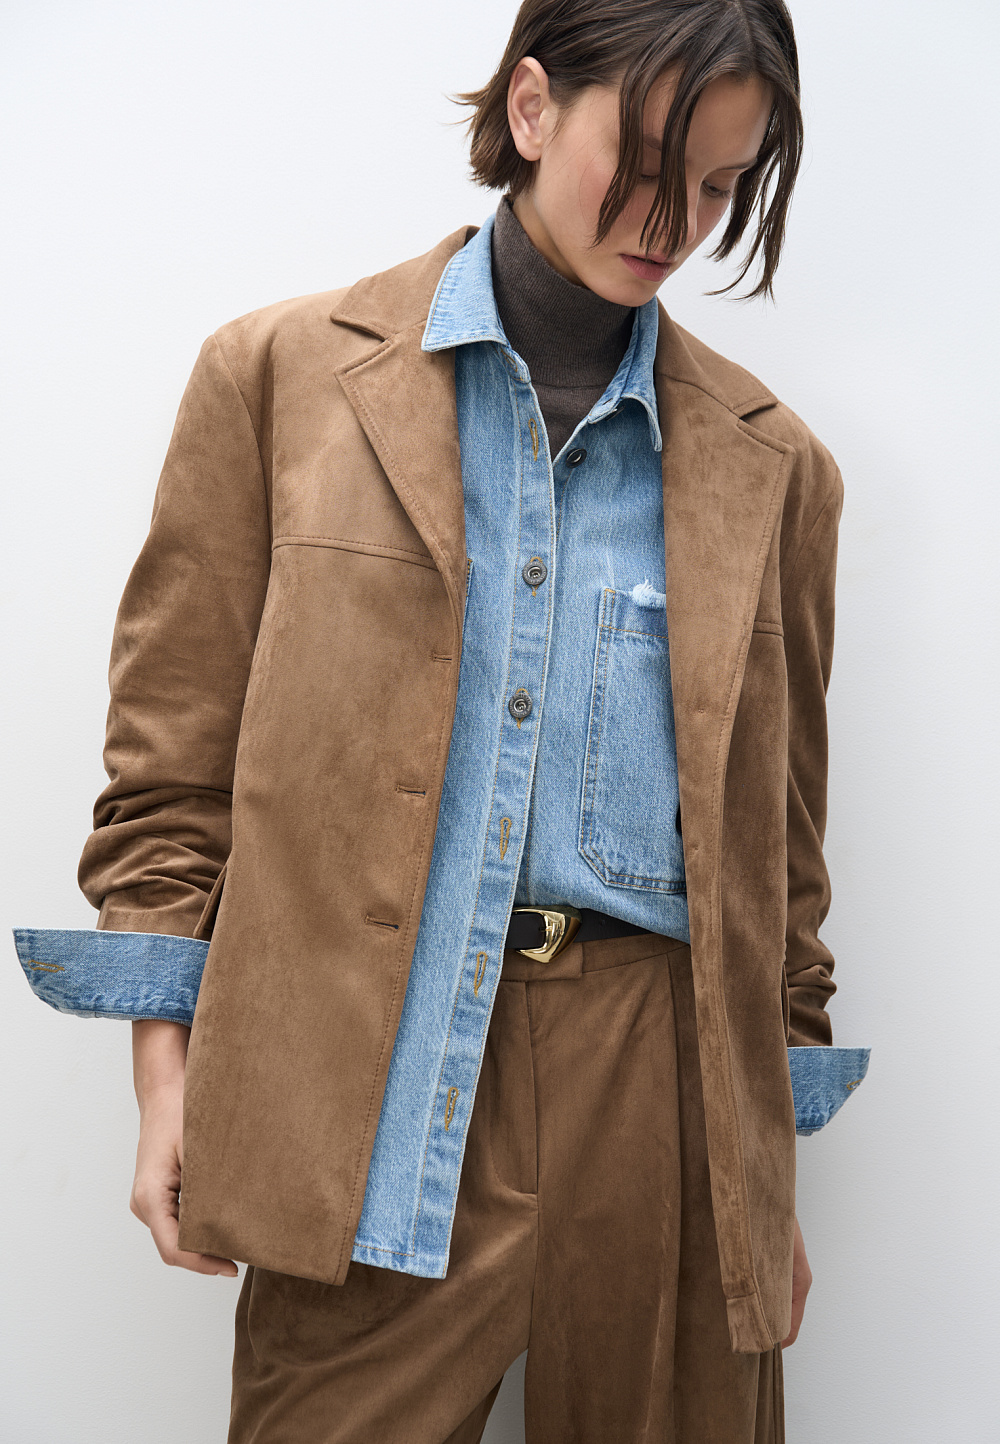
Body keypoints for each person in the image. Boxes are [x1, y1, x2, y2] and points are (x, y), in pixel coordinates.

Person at [14, 1, 870, 1439]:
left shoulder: (773, 471)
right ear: (532, 109)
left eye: (721, 187)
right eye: (644, 166)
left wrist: (757, 1182)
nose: (675, 223)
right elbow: (171, 776)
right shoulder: (281, 381)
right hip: (366, 1075)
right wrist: (165, 1081)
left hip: (659, 1101)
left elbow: (777, 871)